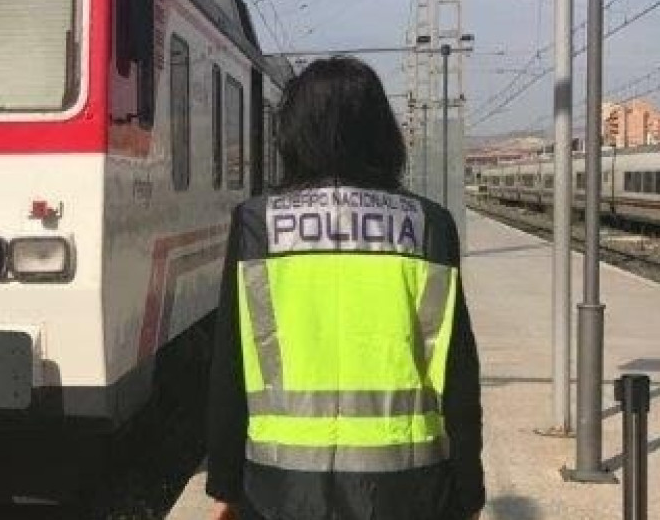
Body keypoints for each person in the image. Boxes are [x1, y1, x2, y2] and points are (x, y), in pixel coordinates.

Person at [205, 57, 485, 520]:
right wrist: (469, 489)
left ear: (294, 132)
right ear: (381, 133)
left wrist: (225, 484)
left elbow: (229, 365)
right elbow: (457, 371)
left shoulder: (257, 224)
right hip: (408, 491)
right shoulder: (429, 225)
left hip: (280, 491)